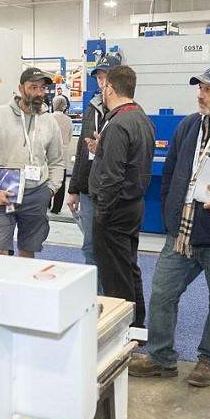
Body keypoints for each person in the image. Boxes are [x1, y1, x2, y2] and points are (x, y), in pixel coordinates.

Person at [128, 66, 210, 387]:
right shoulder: (188, 126)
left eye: (209, 90)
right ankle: (161, 357)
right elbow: (172, 172)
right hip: (182, 233)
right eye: (200, 88)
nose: (201, 95)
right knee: (162, 293)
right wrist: (170, 214)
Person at [89, 65, 154, 328]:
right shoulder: (141, 118)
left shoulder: (118, 124)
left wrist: (102, 213)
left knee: (115, 275)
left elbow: (112, 176)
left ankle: (122, 329)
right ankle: (136, 324)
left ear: (110, 88)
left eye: (103, 86)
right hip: (132, 205)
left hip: (114, 209)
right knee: (128, 267)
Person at [0, 67, 64, 258]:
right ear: (21, 89)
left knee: (28, 250)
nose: (39, 93)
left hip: (36, 193)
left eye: (42, 88)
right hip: (4, 193)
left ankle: (24, 279)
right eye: (33, 87)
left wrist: (50, 190)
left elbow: (57, 161)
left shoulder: (49, 121)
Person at [67, 54, 122, 269]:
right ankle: (95, 288)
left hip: (114, 193)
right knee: (90, 247)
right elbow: (82, 151)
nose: (102, 83)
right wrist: (74, 189)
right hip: (89, 192)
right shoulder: (91, 109)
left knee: (113, 248)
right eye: (99, 78)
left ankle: (113, 289)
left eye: (106, 78)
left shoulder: (127, 112)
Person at [49, 95, 73, 214]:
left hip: (49, 153)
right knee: (61, 181)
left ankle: (47, 203)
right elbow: (69, 137)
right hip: (63, 153)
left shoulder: (49, 118)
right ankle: (56, 208)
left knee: (47, 179)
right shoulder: (68, 120)